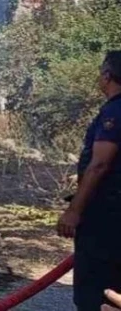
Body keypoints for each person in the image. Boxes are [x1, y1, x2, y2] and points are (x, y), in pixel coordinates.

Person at [58, 51, 121, 310]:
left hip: (105, 216)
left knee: (94, 290)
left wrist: (74, 211)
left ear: (107, 76)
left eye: (100, 72)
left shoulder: (115, 111)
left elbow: (99, 164)